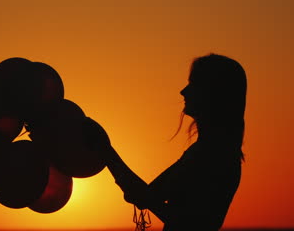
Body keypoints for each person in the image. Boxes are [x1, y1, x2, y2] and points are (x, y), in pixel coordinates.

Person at [94, 54, 247, 231]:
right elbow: (148, 198)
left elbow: (146, 197)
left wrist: (105, 150)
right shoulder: (214, 152)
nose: (184, 91)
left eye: (193, 84)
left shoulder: (210, 155)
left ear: (212, 93)